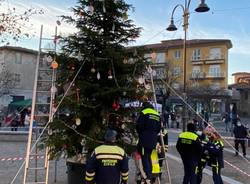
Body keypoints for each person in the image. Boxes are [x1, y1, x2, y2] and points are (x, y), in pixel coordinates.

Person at [136, 101, 161, 183]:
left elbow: (139, 126)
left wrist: (141, 134)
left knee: (144, 157)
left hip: (144, 139)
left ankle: (147, 175)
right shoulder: (157, 114)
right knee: (148, 156)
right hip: (153, 139)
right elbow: (158, 128)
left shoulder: (144, 112)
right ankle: (149, 173)